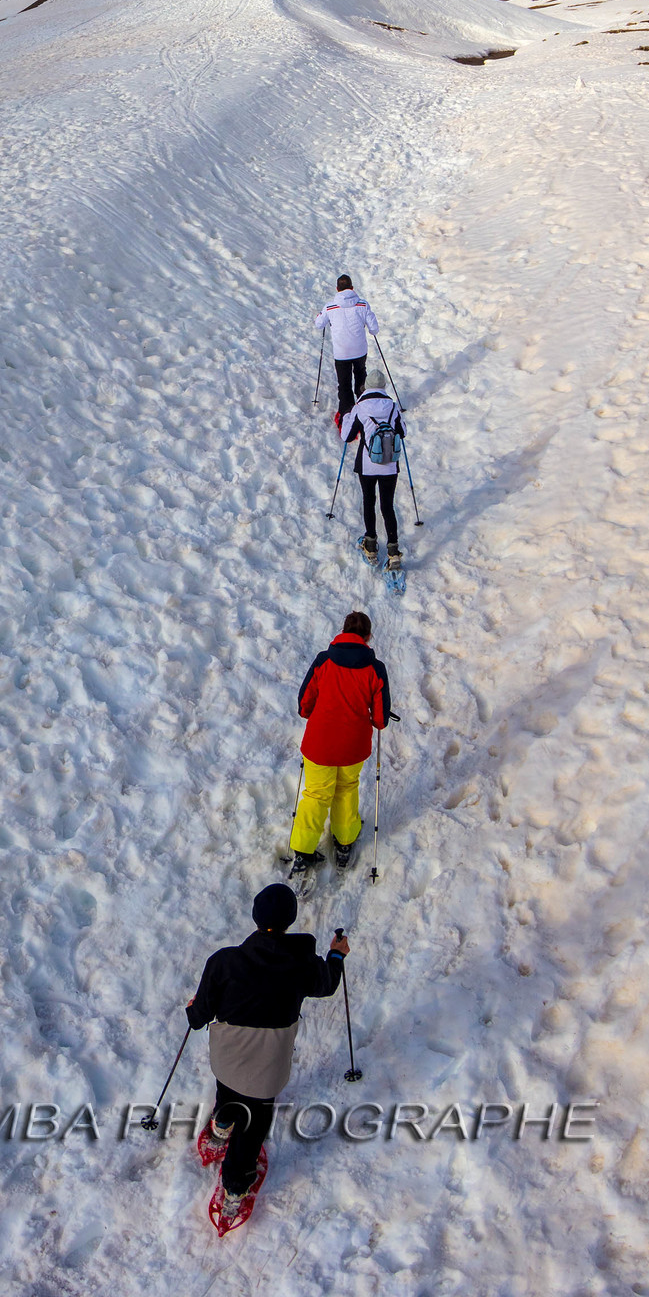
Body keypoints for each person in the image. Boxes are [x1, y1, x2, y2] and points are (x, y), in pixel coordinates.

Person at [185, 884, 349, 1230]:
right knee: (252, 1130)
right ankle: (233, 1190)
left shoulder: (224, 961)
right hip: (268, 1070)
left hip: (227, 1058)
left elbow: (199, 1015)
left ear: (255, 917)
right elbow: (328, 983)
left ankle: (219, 1129)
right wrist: (336, 954)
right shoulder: (303, 965)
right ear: (290, 921)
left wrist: (193, 1011)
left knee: (228, 1093)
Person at [288, 611, 392, 876]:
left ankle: (302, 849)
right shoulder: (375, 669)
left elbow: (303, 706)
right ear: (368, 637)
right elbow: (380, 720)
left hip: (319, 744)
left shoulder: (324, 661)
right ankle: (345, 841)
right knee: (346, 789)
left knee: (316, 794)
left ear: (343, 632)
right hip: (352, 748)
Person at [344, 379, 405, 569]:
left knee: (369, 501)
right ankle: (393, 552)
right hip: (390, 465)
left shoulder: (360, 407)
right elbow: (402, 432)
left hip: (367, 465)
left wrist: (347, 418)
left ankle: (370, 544)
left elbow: (347, 436)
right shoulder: (393, 407)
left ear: (368, 386)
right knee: (388, 506)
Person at [312, 274, 381, 415]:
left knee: (344, 384)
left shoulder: (329, 307)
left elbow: (318, 324)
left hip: (341, 353)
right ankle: (364, 409)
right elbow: (374, 329)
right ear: (352, 288)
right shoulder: (363, 304)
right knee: (361, 377)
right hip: (360, 351)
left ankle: (346, 414)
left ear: (337, 289)